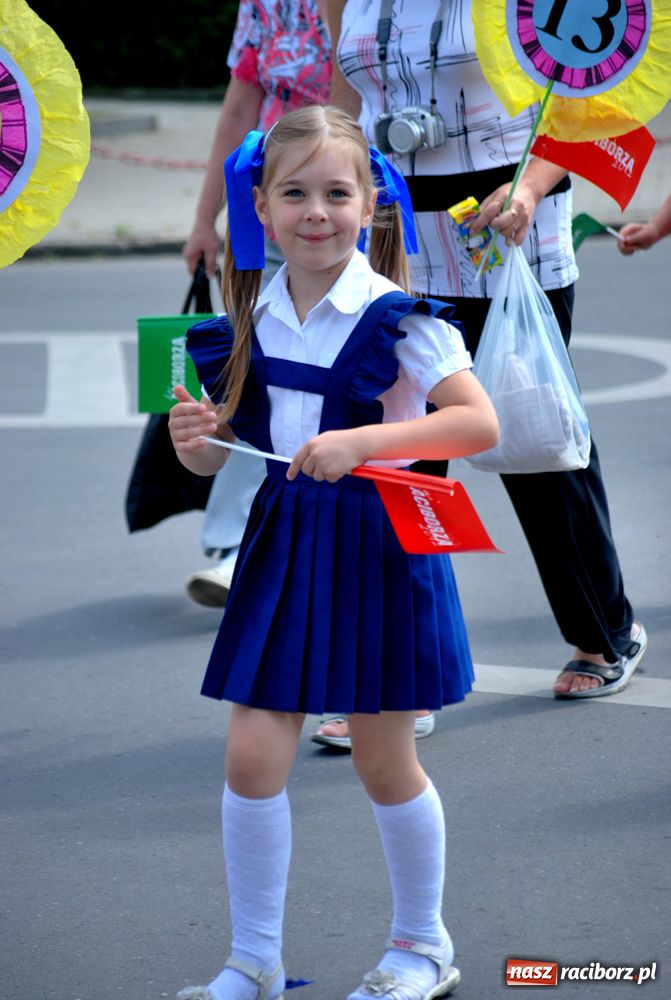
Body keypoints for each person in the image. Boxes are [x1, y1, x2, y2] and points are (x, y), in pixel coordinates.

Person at [168, 105, 499, 1000]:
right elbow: (218, 452)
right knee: (250, 757)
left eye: (336, 193)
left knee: (382, 761)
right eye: (294, 194)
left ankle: (421, 948)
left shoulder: (399, 318)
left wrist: (363, 446)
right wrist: (191, 438)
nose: (316, 212)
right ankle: (254, 959)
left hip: (379, 547)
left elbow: (476, 421)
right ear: (263, 208)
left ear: (370, 207)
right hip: (283, 544)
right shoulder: (253, 313)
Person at [326, 0, 647, 703]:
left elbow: (586, 107)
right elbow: (341, 105)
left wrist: (529, 187)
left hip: (509, 237)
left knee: (533, 447)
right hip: (392, 243)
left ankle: (603, 632)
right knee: (398, 454)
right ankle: (396, 672)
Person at [181, 0, 332, 608]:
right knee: (252, 379)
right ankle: (236, 545)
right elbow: (240, 104)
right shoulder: (263, 4)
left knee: (329, 389)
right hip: (264, 221)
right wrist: (203, 218)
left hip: (344, 226)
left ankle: (281, 543)